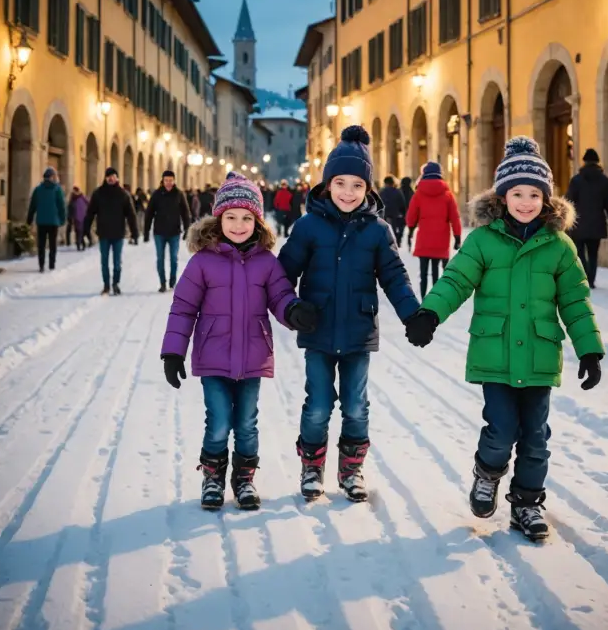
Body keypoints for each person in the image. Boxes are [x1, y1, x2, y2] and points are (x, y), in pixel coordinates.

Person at [405, 136, 604, 542]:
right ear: (503, 196)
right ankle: (487, 473)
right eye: (518, 193)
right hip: (494, 355)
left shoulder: (560, 246)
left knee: (535, 438)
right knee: (500, 429)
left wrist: (589, 348)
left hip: (539, 358)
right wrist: (430, 313)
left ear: (546, 200)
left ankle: (527, 505)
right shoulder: (483, 240)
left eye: (535, 194)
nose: (526, 201)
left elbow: (576, 300)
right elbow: (456, 281)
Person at [278, 125, 420, 503]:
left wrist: (413, 315)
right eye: (340, 183)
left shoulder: (378, 231)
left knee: (356, 406)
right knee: (319, 405)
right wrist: (292, 309)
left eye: (357, 186)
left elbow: (394, 276)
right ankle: (311, 468)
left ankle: (351, 469)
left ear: (368, 190)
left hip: (358, 332)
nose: (348, 192)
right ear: (326, 185)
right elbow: (281, 276)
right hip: (318, 329)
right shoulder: (307, 226)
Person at [160, 175, 317, 510]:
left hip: (252, 357)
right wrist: (173, 351)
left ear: (257, 222)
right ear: (218, 219)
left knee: (246, 423)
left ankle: (244, 480)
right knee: (218, 422)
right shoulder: (202, 261)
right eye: (231, 217)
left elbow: (280, 297)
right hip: (213, 357)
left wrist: (294, 311)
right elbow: (183, 308)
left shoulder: (266, 262)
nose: (239, 225)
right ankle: (213, 478)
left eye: (247, 218)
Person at [405, 162, 462, 299]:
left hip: (424, 238)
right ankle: (435, 298)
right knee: (436, 269)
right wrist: (457, 237)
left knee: (423, 272)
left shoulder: (418, 194)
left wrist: (411, 231)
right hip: (441, 238)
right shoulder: (447, 195)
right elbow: (455, 217)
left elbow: (411, 215)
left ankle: (424, 297)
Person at [84, 166, 139, 295]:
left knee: (117, 262)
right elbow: (90, 213)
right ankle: (106, 285)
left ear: (117, 178)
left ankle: (115, 283)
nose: (111, 178)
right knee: (104, 261)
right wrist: (86, 230)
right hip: (103, 232)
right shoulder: (98, 193)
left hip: (118, 233)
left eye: (113, 176)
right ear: (105, 178)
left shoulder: (123, 194)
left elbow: (131, 215)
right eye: (109, 176)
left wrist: (134, 232)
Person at [565, 148, 608, 288]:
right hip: (597, 222)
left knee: (580, 253)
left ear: (584, 162)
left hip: (579, 223)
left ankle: (583, 277)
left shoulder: (576, 180)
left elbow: (569, 200)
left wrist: (567, 219)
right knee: (593, 254)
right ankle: (591, 280)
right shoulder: (604, 181)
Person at [144, 170, 192, 293]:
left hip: (174, 232)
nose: (168, 183)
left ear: (174, 180)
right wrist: (146, 231)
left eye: (171, 180)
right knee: (160, 258)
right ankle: (162, 283)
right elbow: (149, 213)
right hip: (159, 232)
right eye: (166, 180)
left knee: (173, 258)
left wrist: (187, 230)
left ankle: (172, 281)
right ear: (163, 181)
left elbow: (185, 213)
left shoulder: (179, 194)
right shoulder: (156, 194)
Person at [27, 166, 66, 273]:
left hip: (41, 221)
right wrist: (63, 219)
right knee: (53, 244)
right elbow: (61, 205)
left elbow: (32, 205)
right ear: (53, 177)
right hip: (54, 222)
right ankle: (52, 265)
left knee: (41, 245)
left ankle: (41, 265)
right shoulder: (57, 189)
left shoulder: (38, 189)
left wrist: (29, 219)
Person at [379, 175, 407, 247]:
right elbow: (402, 204)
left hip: (384, 215)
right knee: (394, 230)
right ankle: (395, 243)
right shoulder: (397, 191)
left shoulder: (381, 192)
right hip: (395, 215)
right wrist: (403, 214)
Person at [68, 186, 90, 251]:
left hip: (81, 217)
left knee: (80, 231)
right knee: (79, 231)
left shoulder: (79, 197)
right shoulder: (76, 197)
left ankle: (80, 244)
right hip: (77, 217)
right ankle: (80, 244)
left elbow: (89, 203)